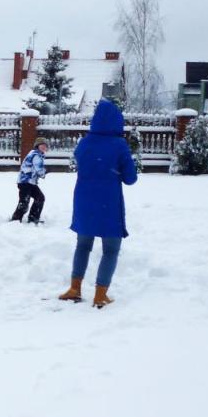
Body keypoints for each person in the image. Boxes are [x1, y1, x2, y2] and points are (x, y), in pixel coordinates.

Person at [59, 99, 137, 307]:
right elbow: (130, 179)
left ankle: (75, 288)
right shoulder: (119, 145)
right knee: (110, 250)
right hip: (108, 205)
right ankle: (100, 294)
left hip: (84, 201)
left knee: (83, 245)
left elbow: (82, 161)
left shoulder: (84, 143)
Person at [11, 137, 49, 223]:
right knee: (24, 202)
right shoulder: (36, 155)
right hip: (25, 182)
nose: (44, 147)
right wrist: (44, 172)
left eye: (45, 145)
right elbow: (39, 170)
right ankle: (15, 220)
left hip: (30, 182)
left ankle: (32, 218)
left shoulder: (35, 154)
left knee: (39, 198)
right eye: (42, 145)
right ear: (37, 146)